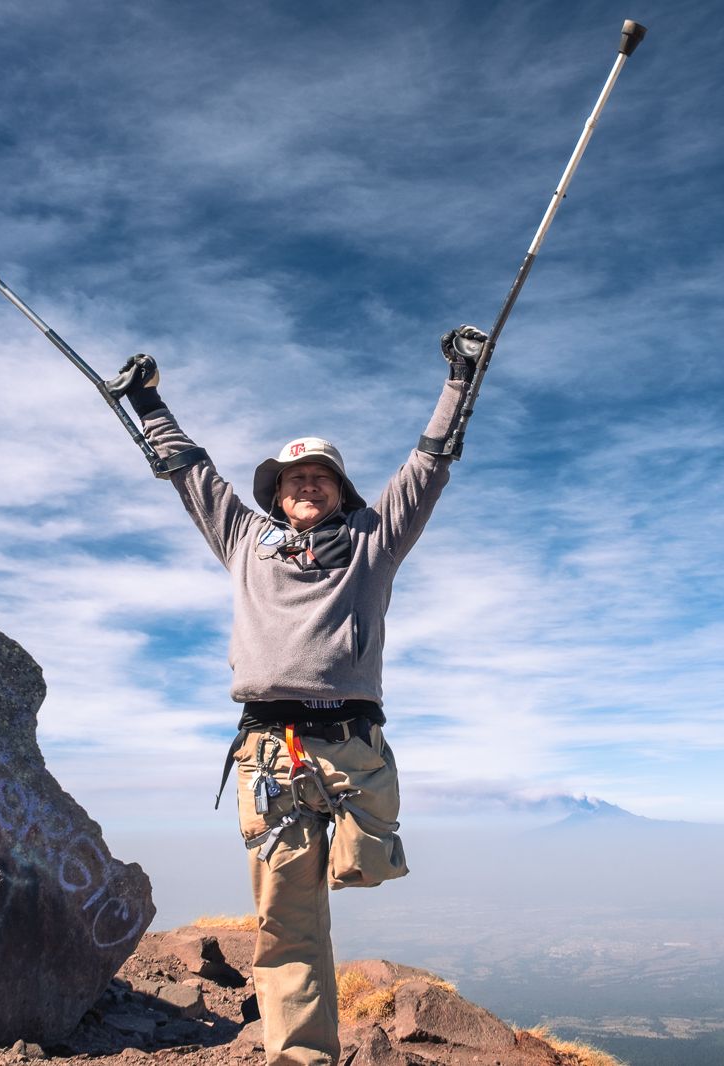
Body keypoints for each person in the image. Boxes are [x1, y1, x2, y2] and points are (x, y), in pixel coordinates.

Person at [109, 326, 488, 1066]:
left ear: (340, 491)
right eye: (292, 480)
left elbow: (427, 467)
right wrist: (149, 403)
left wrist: (460, 381)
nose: (304, 486)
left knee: (367, 870)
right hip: (269, 756)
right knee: (288, 921)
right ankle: (300, 1057)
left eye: (319, 477)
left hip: (350, 749)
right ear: (276, 498)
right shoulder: (245, 541)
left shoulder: (374, 542)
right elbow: (193, 474)